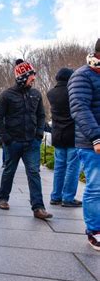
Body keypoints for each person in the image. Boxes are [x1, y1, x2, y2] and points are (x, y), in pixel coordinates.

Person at [0, 59, 52, 220]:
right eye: (31, 75)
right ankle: (3, 198)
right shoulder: (6, 95)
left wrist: (39, 134)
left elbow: (41, 115)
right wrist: (6, 138)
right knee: (9, 171)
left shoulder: (36, 94)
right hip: (13, 142)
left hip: (31, 142)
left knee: (34, 172)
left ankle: (38, 207)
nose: (33, 78)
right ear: (21, 76)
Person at [68, 38, 100, 251]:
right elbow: (79, 108)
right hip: (91, 142)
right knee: (96, 187)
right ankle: (94, 230)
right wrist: (96, 137)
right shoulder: (82, 75)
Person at [47, 68, 82, 207]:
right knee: (73, 168)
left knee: (59, 167)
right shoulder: (73, 92)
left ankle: (55, 196)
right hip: (72, 135)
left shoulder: (51, 93)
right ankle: (68, 198)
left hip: (58, 135)